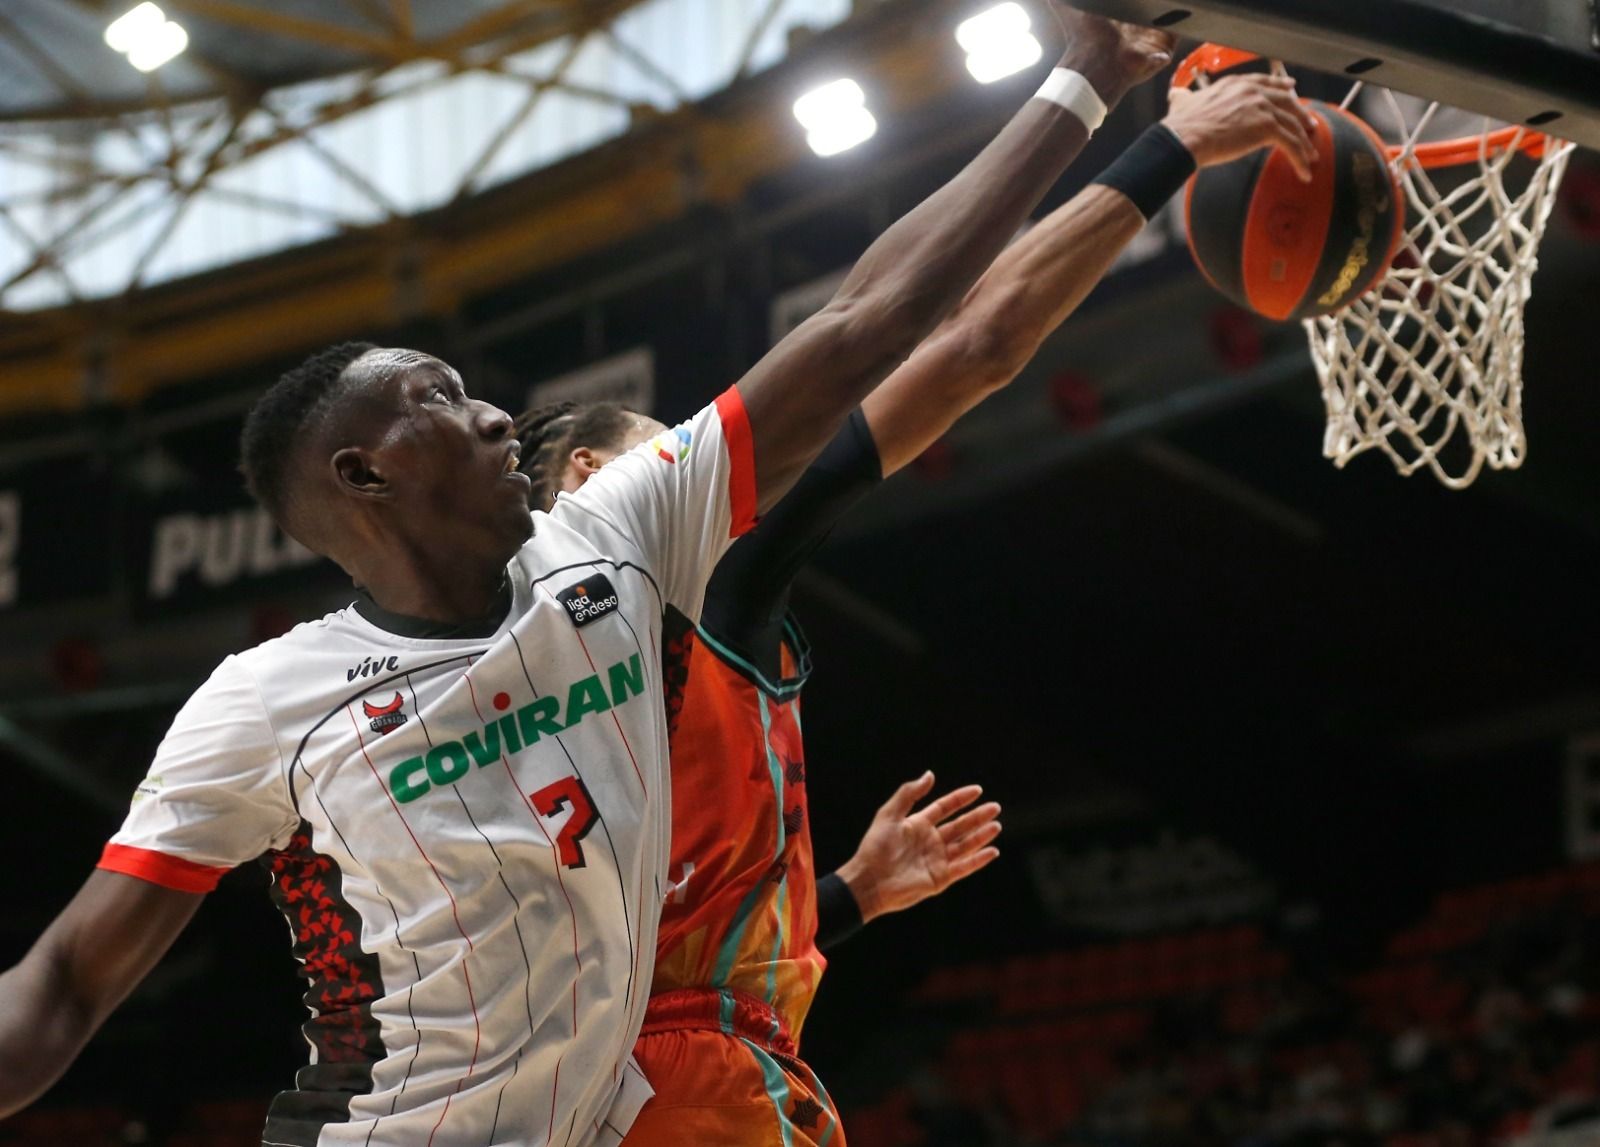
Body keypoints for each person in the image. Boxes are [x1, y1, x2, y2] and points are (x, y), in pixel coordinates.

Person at [0, 9, 1208, 1146]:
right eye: (437, 397)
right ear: (364, 475)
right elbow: (65, 975)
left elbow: (865, 321)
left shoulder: (618, 542)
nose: (490, 412)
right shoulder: (266, 698)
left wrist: (1086, 75)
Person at [514, 70, 1319, 1146]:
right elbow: (974, 342)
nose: (697, 458)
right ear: (587, 472)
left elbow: (644, 923)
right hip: (686, 1082)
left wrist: (843, 896)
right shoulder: (691, 573)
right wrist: (1169, 148)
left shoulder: (491, 666)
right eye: (667, 442)